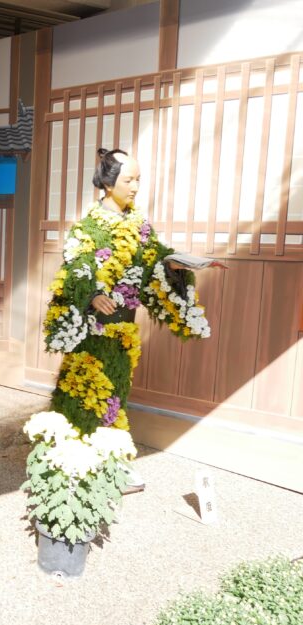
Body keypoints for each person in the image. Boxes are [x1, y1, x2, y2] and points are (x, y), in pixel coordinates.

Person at [42, 148, 225, 488]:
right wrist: (92, 294)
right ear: (108, 183)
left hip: (124, 324)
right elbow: (76, 267)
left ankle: (111, 458)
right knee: (86, 385)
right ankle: (76, 455)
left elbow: (153, 258)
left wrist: (177, 263)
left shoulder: (139, 225)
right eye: (129, 179)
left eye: (138, 179)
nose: (136, 187)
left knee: (117, 390)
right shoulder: (88, 227)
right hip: (93, 328)